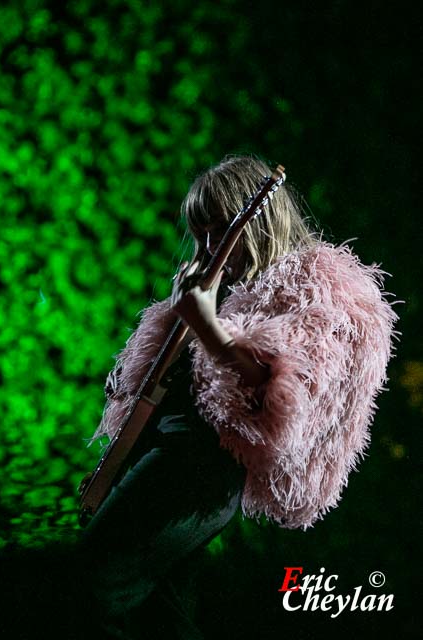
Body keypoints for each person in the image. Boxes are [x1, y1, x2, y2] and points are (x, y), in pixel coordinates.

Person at [80, 155, 398, 639]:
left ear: (259, 220)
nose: (210, 246)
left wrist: (207, 328)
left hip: (201, 467)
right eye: (201, 232)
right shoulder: (221, 287)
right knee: (159, 619)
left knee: (91, 583)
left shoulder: (319, 291)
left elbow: (283, 392)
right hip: (162, 454)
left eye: (219, 227)